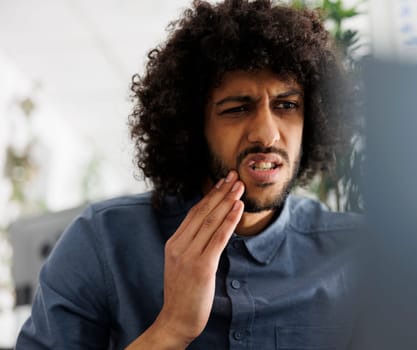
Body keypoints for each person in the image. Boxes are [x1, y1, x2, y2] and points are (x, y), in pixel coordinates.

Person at [16, 0, 363, 348]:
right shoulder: (103, 241)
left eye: (287, 106)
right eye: (238, 108)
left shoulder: (359, 255)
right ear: (194, 127)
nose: (267, 134)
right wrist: (172, 328)